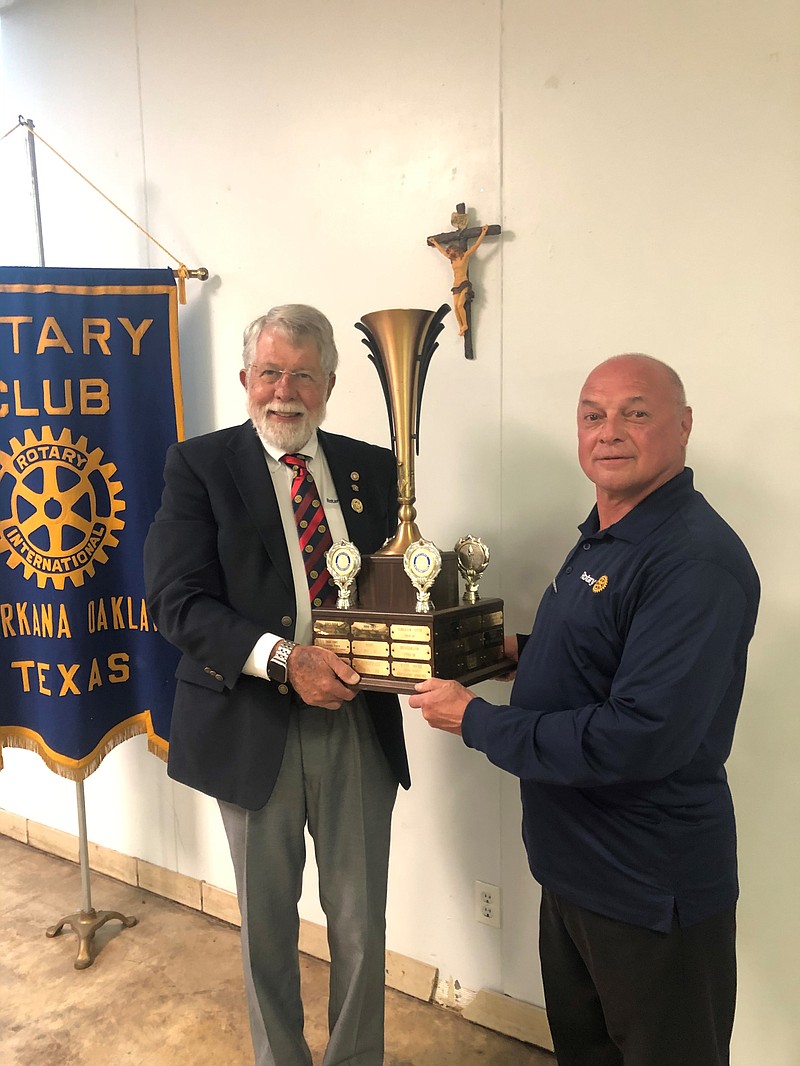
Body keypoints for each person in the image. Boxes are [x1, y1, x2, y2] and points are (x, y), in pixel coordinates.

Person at [409, 353, 759, 1066]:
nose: (610, 430)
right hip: (574, 874)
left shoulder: (694, 560)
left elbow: (637, 737)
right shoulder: (607, 532)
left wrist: (476, 720)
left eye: (636, 412)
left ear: (684, 426)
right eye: (593, 414)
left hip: (649, 891)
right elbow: (608, 653)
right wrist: (518, 652)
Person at [144, 304, 409, 1066]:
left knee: (362, 923)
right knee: (267, 924)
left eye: (302, 374)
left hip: (356, 721)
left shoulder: (371, 469)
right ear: (245, 380)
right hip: (252, 720)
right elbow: (177, 601)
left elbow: (398, 588)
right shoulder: (198, 467)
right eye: (269, 372)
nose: (283, 391)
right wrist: (288, 661)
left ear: (328, 384)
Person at [427, 224, 489, 335]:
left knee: (460, 305)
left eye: (451, 251)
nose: (449, 254)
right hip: (455, 285)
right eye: (449, 252)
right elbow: (442, 252)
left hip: (464, 283)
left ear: (455, 250)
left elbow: (475, 246)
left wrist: (483, 233)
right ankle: (461, 327)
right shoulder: (452, 260)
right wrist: (435, 242)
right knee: (455, 308)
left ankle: (465, 324)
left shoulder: (464, 257)